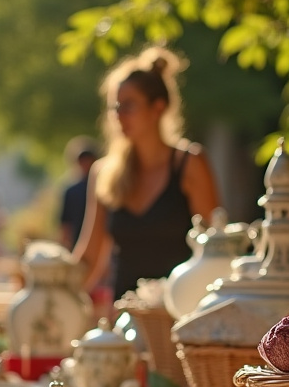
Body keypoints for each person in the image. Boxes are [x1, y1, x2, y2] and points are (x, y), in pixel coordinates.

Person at [73, 46, 221, 302]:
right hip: (125, 320)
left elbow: (217, 249)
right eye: (115, 107)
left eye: (128, 106)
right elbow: (89, 258)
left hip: (183, 316)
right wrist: (48, 287)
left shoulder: (190, 163)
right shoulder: (104, 172)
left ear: (158, 108)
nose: (119, 116)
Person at [59, 137, 99, 248]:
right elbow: (65, 225)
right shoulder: (72, 191)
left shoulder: (103, 187)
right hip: (77, 244)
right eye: (82, 160)